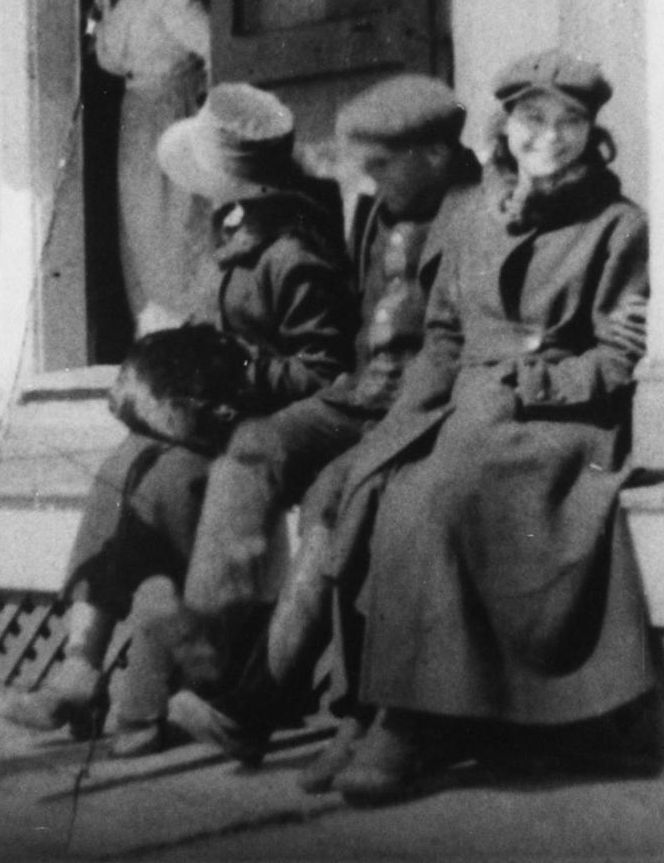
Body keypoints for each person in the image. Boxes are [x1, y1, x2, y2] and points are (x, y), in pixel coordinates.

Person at [322, 51, 656, 804]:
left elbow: (619, 357)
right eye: (534, 119)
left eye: (570, 122)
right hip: (470, 404)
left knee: (434, 495)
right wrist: (398, 427)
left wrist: (532, 381)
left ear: (591, 132)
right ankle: (359, 708)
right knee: (374, 480)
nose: (551, 137)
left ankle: (410, 725)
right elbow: (443, 336)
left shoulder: (617, 226)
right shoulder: (471, 216)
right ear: (505, 129)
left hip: (562, 423)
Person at [2, 83, 355, 755]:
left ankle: (143, 691)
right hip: (215, 415)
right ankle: (81, 662)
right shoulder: (230, 234)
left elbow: (325, 370)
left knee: (168, 484)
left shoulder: (296, 254)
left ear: (239, 184)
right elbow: (212, 317)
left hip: (269, 429)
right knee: (124, 465)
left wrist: (229, 364)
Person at [153, 75, 483, 764]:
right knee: (256, 444)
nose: (367, 175)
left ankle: (258, 703)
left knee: (337, 492)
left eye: (382, 162)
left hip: (427, 407)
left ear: (433, 155)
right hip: (362, 392)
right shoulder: (377, 210)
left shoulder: (476, 214)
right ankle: (211, 657)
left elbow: (464, 346)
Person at [68, 0, 213, 332]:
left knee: (182, 228)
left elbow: (212, 45)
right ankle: (156, 333)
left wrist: (207, 108)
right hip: (137, 127)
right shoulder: (106, 4)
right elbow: (104, 54)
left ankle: (194, 330)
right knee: (142, 232)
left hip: (175, 114)